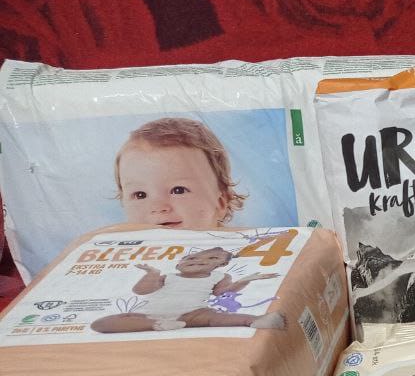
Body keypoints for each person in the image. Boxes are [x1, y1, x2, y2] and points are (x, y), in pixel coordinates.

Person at [91, 246, 284, 333]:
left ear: (220, 265)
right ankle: (156, 324)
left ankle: (255, 320)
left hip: (192, 313)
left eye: (212, 259)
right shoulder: (168, 276)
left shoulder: (219, 276)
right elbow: (141, 291)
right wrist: (152, 273)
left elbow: (223, 293)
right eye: (192, 258)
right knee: (101, 323)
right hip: (148, 313)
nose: (200, 261)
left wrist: (245, 280)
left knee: (215, 318)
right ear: (179, 264)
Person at [114, 116, 246, 229]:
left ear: (221, 202)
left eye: (178, 190)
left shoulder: (238, 244)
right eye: (140, 195)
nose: (158, 207)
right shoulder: (123, 244)